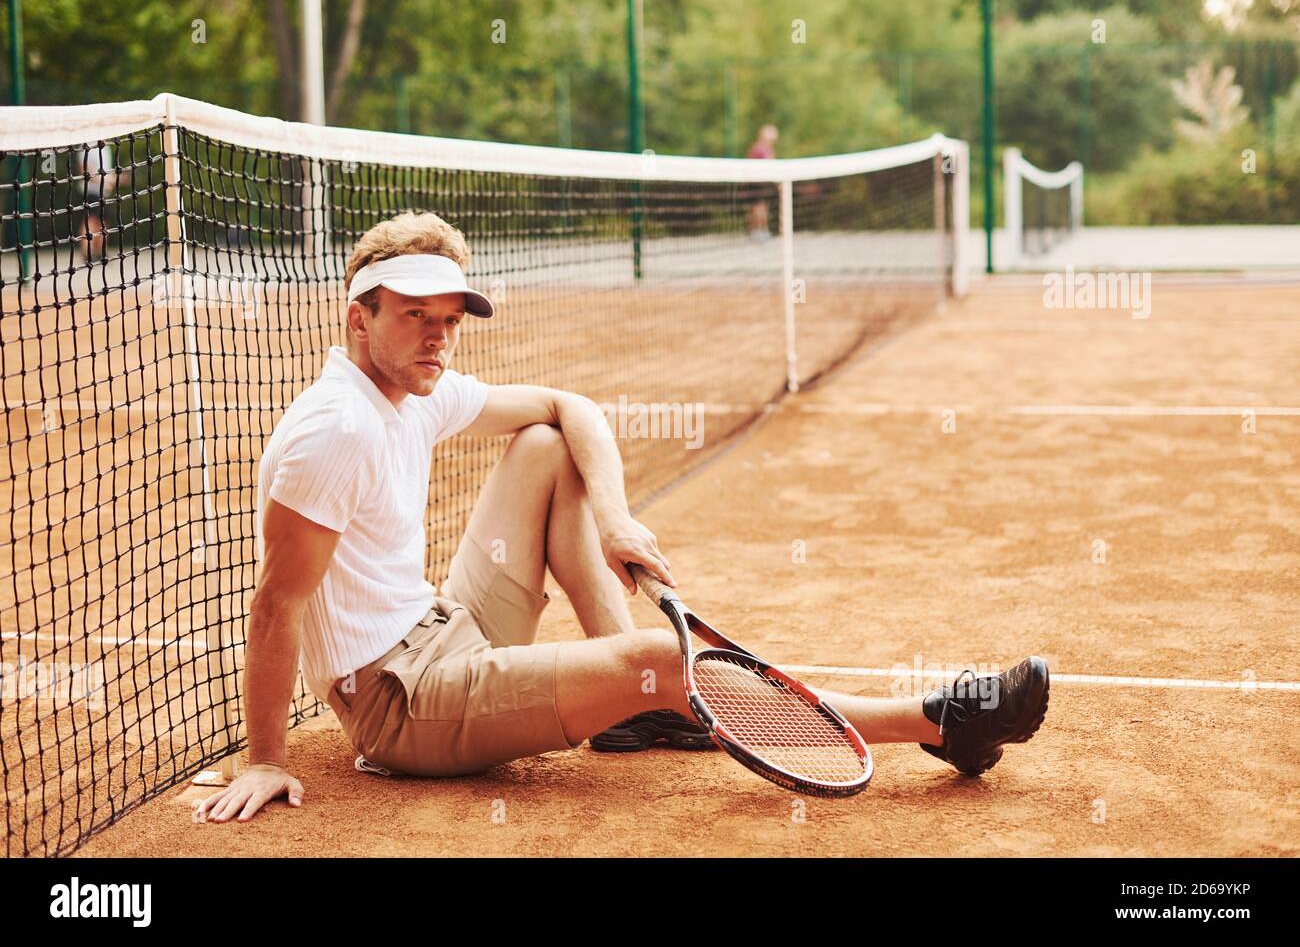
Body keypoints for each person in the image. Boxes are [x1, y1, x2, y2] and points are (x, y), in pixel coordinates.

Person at [195, 210, 1050, 823]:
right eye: (416, 317)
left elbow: (571, 406)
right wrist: (265, 758)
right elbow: (278, 605)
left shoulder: (416, 388)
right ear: (361, 316)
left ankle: (636, 708)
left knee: (541, 443)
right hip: (401, 703)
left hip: (441, 626)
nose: (437, 339)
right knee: (657, 657)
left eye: (449, 321)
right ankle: (941, 723)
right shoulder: (336, 429)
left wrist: (612, 518)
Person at [77, 142, 118, 262]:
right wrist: (101, 180)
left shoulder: (106, 147)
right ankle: (87, 252)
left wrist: (112, 180)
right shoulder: (86, 145)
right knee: (91, 220)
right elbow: (84, 169)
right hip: (90, 190)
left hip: (103, 191)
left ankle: (100, 252)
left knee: (103, 220)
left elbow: (107, 171)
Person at [745, 123, 780, 242]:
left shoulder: (763, 147)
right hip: (757, 183)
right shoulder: (761, 148)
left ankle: (759, 231)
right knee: (758, 208)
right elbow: (770, 164)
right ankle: (758, 231)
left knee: (760, 207)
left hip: (761, 183)